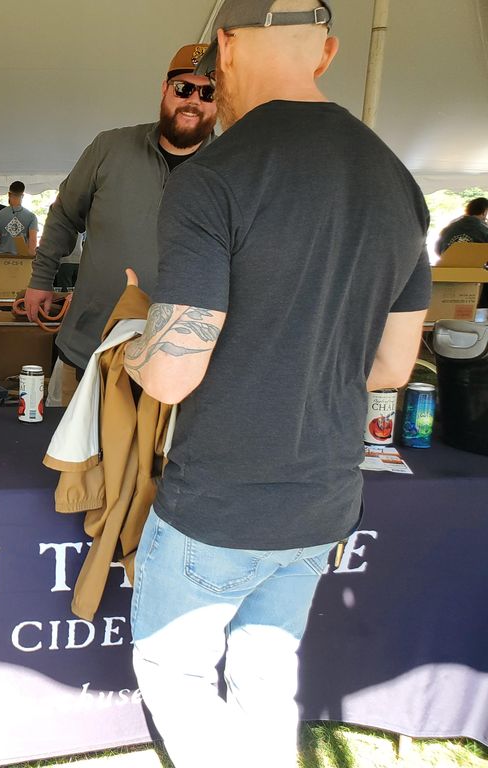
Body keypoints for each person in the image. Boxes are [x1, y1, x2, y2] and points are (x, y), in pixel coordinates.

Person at [121, 3, 430, 767]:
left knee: (174, 672)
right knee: (264, 675)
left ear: (225, 46)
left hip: (221, 503)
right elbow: (392, 368)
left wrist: (131, 348)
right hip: (324, 498)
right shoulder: (398, 181)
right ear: (325, 54)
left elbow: (171, 373)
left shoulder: (214, 176)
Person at [23, 44, 217, 387]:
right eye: (184, 88)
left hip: (184, 356)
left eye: (208, 92)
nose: (193, 100)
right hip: (96, 341)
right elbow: (65, 214)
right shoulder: (109, 148)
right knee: (80, 423)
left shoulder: (232, 167)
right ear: (165, 88)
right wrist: (41, 280)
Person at [0, 181, 38, 255]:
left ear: (9, 194)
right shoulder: (31, 217)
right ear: (22, 195)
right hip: (22, 258)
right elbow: (32, 244)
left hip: (3, 258)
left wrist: (2, 241)